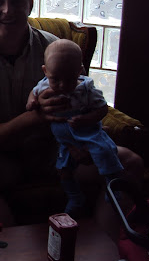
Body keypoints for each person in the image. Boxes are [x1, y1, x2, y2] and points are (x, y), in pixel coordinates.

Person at [0, 0, 142, 229]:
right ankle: (1, 252)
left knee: (130, 163)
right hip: (0, 159)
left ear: (30, 5)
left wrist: (86, 136)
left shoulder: (59, 51)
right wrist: (35, 117)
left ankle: (103, 244)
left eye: (17, 1)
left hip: (56, 151)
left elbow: (86, 104)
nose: (8, 10)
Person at [26, 39, 123, 217]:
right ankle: (74, 196)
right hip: (63, 140)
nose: (63, 85)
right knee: (63, 169)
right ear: (45, 71)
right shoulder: (45, 83)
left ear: (79, 71)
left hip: (88, 132)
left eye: (69, 79)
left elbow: (102, 109)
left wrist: (86, 119)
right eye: (56, 79)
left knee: (105, 152)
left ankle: (114, 185)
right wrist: (31, 101)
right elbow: (34, 91)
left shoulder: (86, 89)